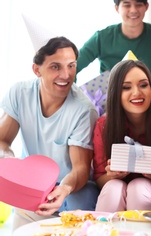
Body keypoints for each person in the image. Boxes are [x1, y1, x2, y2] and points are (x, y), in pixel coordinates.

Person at [0, 36, 99, 228]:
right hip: (33, 186)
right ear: (37, 70)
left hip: (73, 191)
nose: (66, 75)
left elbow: (80, 169)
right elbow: (2, 140)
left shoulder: (83, 110)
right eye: (56, 67)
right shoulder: (20, 93)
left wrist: (64, 188)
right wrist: (8, 160)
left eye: (71, 66)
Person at [93, 60, 151, 212]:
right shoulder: (103, 125)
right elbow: (99, 179)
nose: (136, 93)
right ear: (116, 92)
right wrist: (113, 175)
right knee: (113, 187)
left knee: (139, 187)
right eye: (126, 87)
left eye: (143, 85)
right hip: (116, 189)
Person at [76, 0, 151, 98]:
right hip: (109, 103)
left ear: (146, 7)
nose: (133, 10)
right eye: (127, 5)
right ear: (117, 8)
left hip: (140, 100)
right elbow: (72, 67)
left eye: (139, 4)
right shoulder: (102, 38)